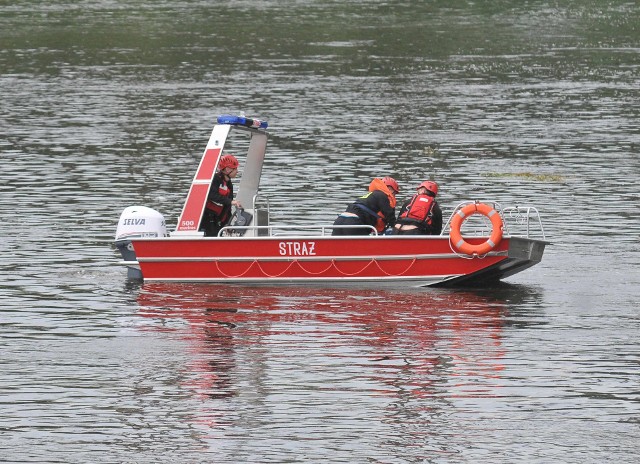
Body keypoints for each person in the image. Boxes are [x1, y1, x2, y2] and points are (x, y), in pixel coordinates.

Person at [332, 176, 399, 236]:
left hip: (340, 220)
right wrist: (398, 228)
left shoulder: (371, 196)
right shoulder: (383, 196)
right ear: (390, 189)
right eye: (394, 193)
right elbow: (390, 216)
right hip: (353, 222)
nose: (394, 196)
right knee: (363, 248)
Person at [200, 154, 242, 237]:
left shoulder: (229, 184)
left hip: (218, 221)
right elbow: (212, 195)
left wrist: (227, 224)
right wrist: (231, 202)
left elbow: (227, 207)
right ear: (227, 169)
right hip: (207, 220)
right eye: (235, 169)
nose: (237, 171)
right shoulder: (215, 180)